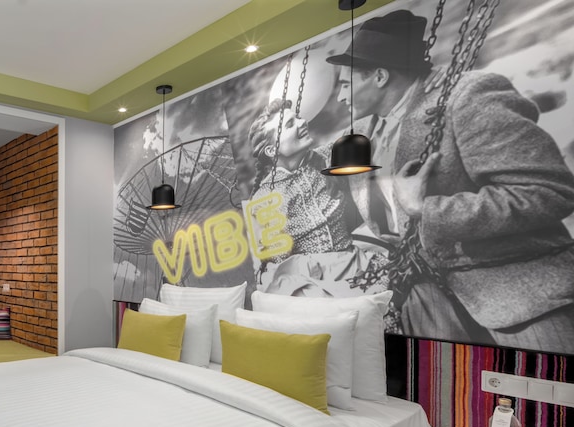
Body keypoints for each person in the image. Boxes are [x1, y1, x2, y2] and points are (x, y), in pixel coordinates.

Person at [325, 9, 574, 353]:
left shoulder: (468, 96)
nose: (340, 96)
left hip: (518, 296)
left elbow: (549, 192)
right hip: (427, 306)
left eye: (345, 84)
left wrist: (427, 209)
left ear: (379, 76)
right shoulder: (360, 136)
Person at [245, 97, 371, 297]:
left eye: (299, 117)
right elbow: (277, 262)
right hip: (308, 281)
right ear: (272, 150)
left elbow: (363, 129)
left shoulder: (326, 158)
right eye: (290, 124)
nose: (303, 122)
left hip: (353, 264)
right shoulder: (264, 198)